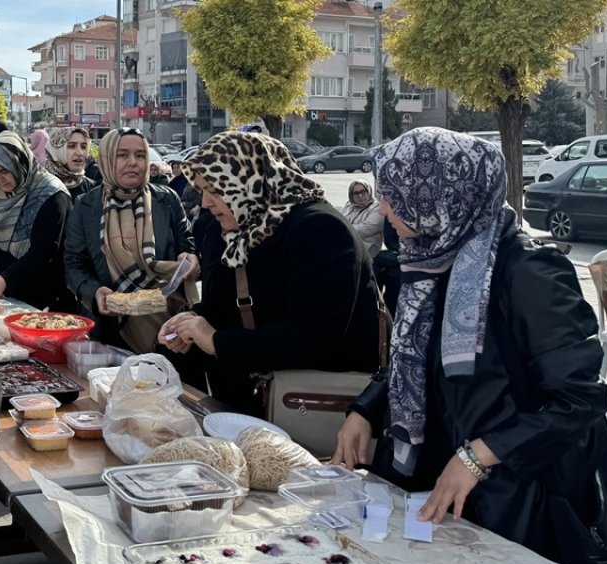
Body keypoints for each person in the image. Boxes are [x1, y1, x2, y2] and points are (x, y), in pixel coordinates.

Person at [332, 128, 607, 564]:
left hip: (521, 508)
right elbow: (414, 357)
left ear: (438, 195)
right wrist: (366, 408)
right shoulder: (427, 260)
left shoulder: (528, 273)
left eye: (394, 196)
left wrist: (480, 456)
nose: (384, 210)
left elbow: (578, 402)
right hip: (436, 497)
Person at [159, 131, 380, 416]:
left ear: (250, 182)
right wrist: (189, 323)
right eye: (201, 190)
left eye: (215, 190)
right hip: (245, 407)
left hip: (310, 412)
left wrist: (215, 341)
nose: (205, 203)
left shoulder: (322, 230)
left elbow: (315, 338)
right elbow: (227, 307)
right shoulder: (230, 230)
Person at [63, 128, 197, 352]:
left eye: (140, 155)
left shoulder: (166, 199)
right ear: (106, 159)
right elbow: (73, 264)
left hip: (166, 327)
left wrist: (190, 259)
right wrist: (94, 293)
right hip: (108, 330)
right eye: (122, 155)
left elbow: (187, 246)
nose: (133, 162)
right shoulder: (86, 206)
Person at [0, 131, 72, 310]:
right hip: (10, 290)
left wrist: (7, 278)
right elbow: (1, 231)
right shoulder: (1, 192)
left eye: (4, 171)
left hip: (45, 296)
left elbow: (45, 251)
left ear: (21, 164)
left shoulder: (51, 195)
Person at [44, 126, 96, 201]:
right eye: (71, 146)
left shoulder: (93, 189)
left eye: (84, 147)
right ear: (56, 150)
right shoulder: (41, 188)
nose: (80, 153)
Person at [341, 178, 384, 253]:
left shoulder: (377, 208)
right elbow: (339, 219)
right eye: (356, 193)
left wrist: (340, 229)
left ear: (369, 192)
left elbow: (365, 229)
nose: (360, 196)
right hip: (348, 243)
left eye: (363, 192)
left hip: (368, 248)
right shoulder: (350, 206)